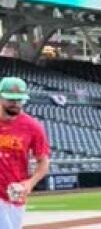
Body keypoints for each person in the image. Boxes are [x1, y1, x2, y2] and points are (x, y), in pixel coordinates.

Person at [0, 77, 50, 229]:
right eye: (10, 99)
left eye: (19, 99)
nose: (15, 103)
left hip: (13, 194)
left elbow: (43, 161)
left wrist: (29, 183)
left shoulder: (32, 126)